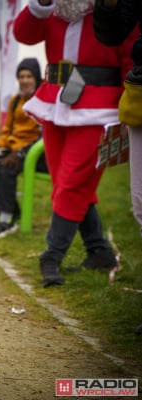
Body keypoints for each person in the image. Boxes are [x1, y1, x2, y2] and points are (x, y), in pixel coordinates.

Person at [13, 0, 138, 287]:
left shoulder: (116, 7)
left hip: (99, 108)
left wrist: (126, 109)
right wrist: (42, 4)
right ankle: (99, 251)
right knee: (66, 184)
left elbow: (130, 58)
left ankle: (51, 256)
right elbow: (24, 34)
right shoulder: (55, 8)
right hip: (55, 103)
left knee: (71, 185)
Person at [93, 0, 142, 334]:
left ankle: (89, 248)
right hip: (139, 94)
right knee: (141, 207)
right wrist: (108, 6)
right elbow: (112, 34)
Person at [0, 57, 47, 238]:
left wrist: (22, 153)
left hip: (37, 151)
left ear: (37, 78)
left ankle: (6, 221)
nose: (24, 80)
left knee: (3, 167)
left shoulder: (44, 99)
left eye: (29, 76)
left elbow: (45, 135)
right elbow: (7, 131)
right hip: (15, 147)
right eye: (21, 76)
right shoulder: (15, 100)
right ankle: (0, 211)